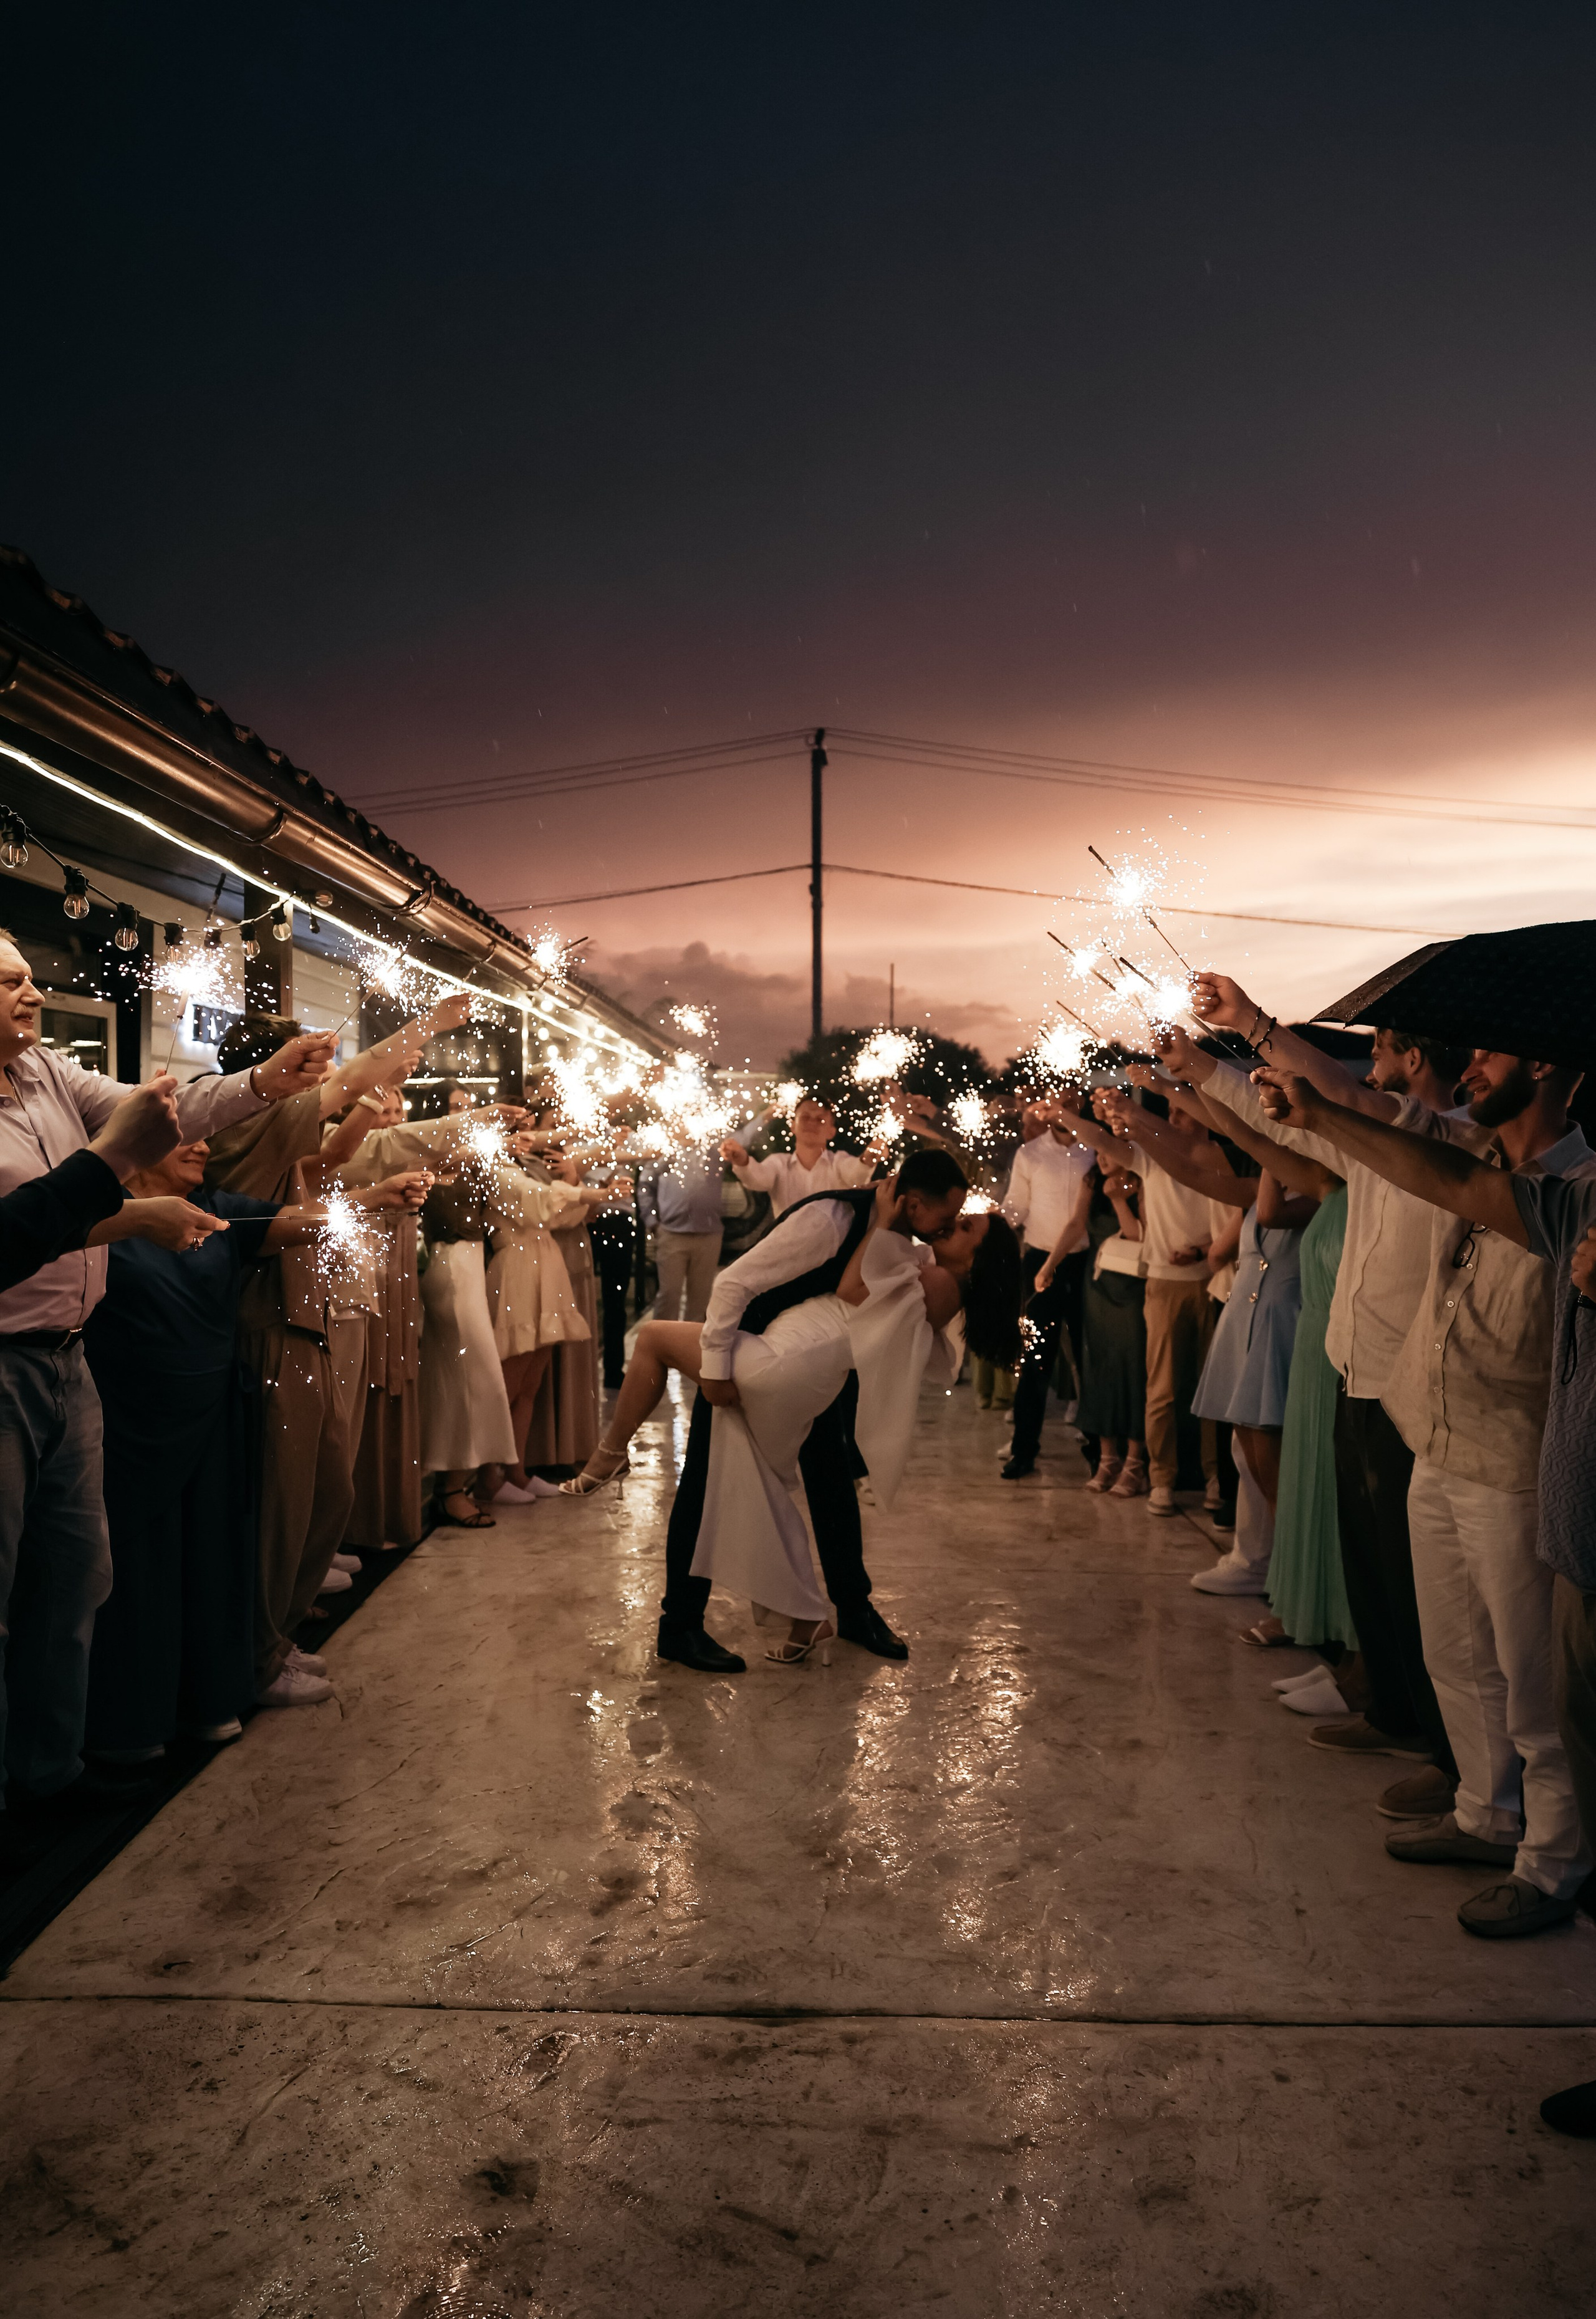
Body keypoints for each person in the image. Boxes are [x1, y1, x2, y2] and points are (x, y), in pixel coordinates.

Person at [0, 930, 335, 1837]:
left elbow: (166, 1111)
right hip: (4, 1360)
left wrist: (264, 1084)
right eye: (9, 983)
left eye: (31, 978)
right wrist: (121, 1189)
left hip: (67, 1360)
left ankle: (47, 1774)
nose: (31, 996)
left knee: (76, 1577)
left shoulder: (45, 1077)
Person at [1254, 1054, 1594, 1940]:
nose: (1472, 1066)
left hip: (1516, 1460)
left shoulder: (1582, 1187)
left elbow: (1410, 1148)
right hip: (1435, 1436)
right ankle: (1486, 1814)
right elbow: (1393, 1131)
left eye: (1492, 1052)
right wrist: (1300, 1096)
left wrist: (1321, 1110)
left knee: (1533, 1679)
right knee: (1455, 1652)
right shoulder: (1481, 1152)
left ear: (1551, 1066)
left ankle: (1553, 1859)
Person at [1169, 992, 1467, 1779]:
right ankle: (1388, 1707)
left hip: (1407, 1381)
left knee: (1410, 1579)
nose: (1368, 1063)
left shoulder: (1452, 1141)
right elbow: (1280, 1132)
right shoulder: (1373, 1142)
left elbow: (1346, 1102)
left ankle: (1441, 1748)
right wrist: (1201, 1071)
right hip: (1353, 1365)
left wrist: (1252, 1027)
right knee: (1372, 1561)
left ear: (1415, 1058)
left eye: (1381, 1049)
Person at [564, 1156, 1021, 1661]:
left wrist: (886, 1218)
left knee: (791, 1487)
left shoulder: (915, 1254)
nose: (950, 1224)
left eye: (961, 1223)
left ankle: (830, 1611)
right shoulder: (834, 1219)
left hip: (790, 1367)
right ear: (913, 1202)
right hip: (769, 1355)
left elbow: (860, 1293)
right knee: (735, 1487)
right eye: (951, 1215)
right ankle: (706, 1621)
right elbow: (735, 1284)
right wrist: (715, 1368)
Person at [81, 1136, 431, 1753]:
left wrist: (374, 1198)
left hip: (213, 1412)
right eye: (182, 1135)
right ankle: (131, 1727)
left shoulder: (213, 1208)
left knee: (213, 1556)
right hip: (135, 1419)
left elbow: (296, 1224)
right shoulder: (101, 1213)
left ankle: (210, 1696)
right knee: (144, 1569)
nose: (202, 1144)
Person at [205, 995, 470, 1694]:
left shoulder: (279, 1130)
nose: (320, 1070)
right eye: (306, 1057)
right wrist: (423, 1028)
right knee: (285, 1504)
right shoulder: (243, 1120)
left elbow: (337, 1147)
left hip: (309, 1316)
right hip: (273, 1321)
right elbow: (347, 1114)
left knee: (326, 1491)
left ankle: (277, 1636)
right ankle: (259, 1656)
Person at [999, 1097, 1095, 1480]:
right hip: (1040, 1262)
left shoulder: (1095, 1146)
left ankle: (1098, 1449)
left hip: (1087, 1263)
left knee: (1090, 1359)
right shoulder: (1030, 1154)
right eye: (1056, 1103)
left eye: (1069, 1101)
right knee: (1035, 1360)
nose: (1061, 1109)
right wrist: (995, 1221)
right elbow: (1017, 1206)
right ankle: (1025, 1449)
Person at [1059, 1163, 1148, 1496]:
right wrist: (1049, 1264)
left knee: (1133, 1368)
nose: (1104, 1158)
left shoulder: (1142, 1178)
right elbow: (1075, 1224)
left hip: (1133, 1286)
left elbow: (1139, 1235)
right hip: (1097, 1284)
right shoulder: (1091, 1180)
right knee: (1100, 1367)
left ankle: (1135, 1461)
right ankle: (1107, 1456)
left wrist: (1119, 1201)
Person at [721, 1095, 884, 1218]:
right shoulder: (779, 1163)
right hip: (787, 1253)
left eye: (820, 1120)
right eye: (805, 1117)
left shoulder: (839, 1162)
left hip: (834, 1256)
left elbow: (856, 1175)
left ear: (831, 1131)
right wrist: (741, 1159)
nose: (812, 1123)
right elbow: (757, 1178)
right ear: (793, 1125)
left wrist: (869, 1157)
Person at [638, 1143, 724, 1323]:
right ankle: (663, 1348)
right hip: (671, 1233)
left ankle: (690, 1348)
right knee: (669, 1295)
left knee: (701, 1299)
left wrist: (766, 1116)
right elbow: (645, 1186)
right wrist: (653, 1223)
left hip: (709, 1235)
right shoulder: (663, 1150)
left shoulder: (715, 1148)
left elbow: (743, 1138)